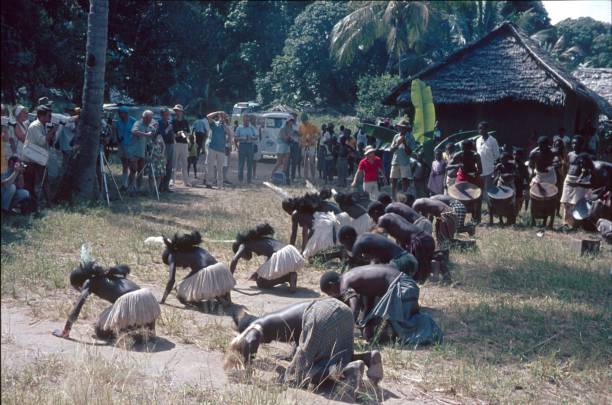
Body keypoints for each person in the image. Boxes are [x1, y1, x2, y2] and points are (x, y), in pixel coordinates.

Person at [227, 299, 376, 399]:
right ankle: (367, 358)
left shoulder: (257, 326)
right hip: (340, 309)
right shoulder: (273, 319)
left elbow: (250, 340)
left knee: (300, 376)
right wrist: (292, 354)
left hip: (319, 314)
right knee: (336, 353)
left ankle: (348, 371)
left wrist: (247, 371)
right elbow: (300, 334)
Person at [320, 266, 443, 345]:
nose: (334, 296)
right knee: (389, 328)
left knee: (405, 325)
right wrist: (365, 325)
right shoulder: (359, 282)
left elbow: (355, 306)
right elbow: (368, 307)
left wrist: (346, 331)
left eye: (330, 293)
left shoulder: (345, 282)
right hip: (403, 285)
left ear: (332, 285)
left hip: (402, 287)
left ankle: (432, 329)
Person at [53, 258, 161, 341]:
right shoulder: (107, 273)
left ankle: (132, 336)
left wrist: (65, 331)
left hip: (130, 299)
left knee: (100, 332)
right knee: (120, 315)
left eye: (76, 287)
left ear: (80, 282)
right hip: (147, 295)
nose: (78, 290)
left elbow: (77, 307)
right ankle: (149, 332)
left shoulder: (90, 282)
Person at [160, 231, 235, 307]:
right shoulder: (194, 249)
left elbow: (171, 280)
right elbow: (195, 272)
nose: (178, 266)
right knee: (186, 283)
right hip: (221, 268)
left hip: (207, 272)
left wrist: (163, 300)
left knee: (179, 290)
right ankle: (227, 299)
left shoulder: (171, 255)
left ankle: (221, 300)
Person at [230, 223, 303, 291]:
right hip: (290, 252)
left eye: (242, 256)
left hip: (281, 255)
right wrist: (258, 272)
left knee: (261, 282)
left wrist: (229, 280)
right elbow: (271, 258)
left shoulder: (243, 244)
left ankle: (288, 277)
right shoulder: (261, 239)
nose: (243, 258)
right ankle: (289, 276)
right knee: (263, 276)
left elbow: (234, 259)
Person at [372, 212, 435, 282]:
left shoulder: (382, 220)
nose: (372, 219)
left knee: (416, 275)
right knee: (425, 266)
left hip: (418, 241)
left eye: (371, 216)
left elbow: (378, 240)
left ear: (375, 212)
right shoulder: (393, 216)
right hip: (427, 238)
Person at [338, 225, 418, 279]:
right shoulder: (366, 236)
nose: (346, 247)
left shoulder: (357, 245)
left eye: (344, 244)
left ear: (347, 239)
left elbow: (356, 270)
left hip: (401, 262)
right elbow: (376, 259)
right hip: (410, 259)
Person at [22, 105, 59, 207]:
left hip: (39, 159)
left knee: (44, 181)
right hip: (31, 160)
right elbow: (42, 141)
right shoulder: (34, 126)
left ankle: (47, 203)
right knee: (31, 183)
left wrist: (52, 133)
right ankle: (30, 205)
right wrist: (52, 131)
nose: (50, 118)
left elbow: (49, 142)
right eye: (49, 115)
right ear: (42, 116)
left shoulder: (42, 125)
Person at [560, 136, 594, 229]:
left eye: (576, 143)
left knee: (575, 203)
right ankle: (566, 222)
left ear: (581, 144)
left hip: (578, 180)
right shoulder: (570, 154)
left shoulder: (585, 156)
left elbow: (587, 170)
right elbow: (567, 166)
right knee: (566, 201)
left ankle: (575, 224)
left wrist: (580, 179)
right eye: (573, 143)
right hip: (568, 179)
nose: (574, 145)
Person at [447, 140, 483, 222]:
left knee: (476, 198)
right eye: (463, 149)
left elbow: (481, 170)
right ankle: (459, 218)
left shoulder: (476, 155)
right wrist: (457, 165)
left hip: (473, 177)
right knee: (459, 199)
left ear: (470, 148)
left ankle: (476, 218)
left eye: (466, 149)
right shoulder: (459, 155)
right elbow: (448, 167)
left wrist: (475, 174)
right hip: (462, 177)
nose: (464, 151)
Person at [129, 110, 155, 193]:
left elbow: (152, 132)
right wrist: (146, 134)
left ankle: (138, 188)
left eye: (151, 118)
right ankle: (130, 188)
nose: (150, 120)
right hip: (134, 151)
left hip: (142, 152)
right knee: (133, 170)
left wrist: (152, 132)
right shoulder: (138, 123)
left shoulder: (148, 125)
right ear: (144, 118)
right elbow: (134, 132)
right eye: (148, 118)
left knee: (140, 171)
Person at [475, 121, 500, 204]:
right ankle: (482, 207)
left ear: (486, 129)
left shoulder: (493, 141)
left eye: (481, 128)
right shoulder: (478, 140)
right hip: (480, 170)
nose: (479, 130)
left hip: (489, 170)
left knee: (489, 190)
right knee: (480, 191)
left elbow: (497, 155)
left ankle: (491, 207)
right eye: (479, 128)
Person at [389, 120, 413, 199]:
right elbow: (391, 150)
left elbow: (409, 152)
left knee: (404, 181)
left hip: (404, 162)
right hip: (395, 161)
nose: (401, 129)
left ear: (406, 129)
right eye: (400, 127)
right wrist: (397, 144)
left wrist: (405, 143)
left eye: (403, 128)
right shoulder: (396, 136)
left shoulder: (410, 137)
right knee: (393, 180)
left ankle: (404, 198)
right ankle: (393, 198)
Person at [205, 112, 228, 188]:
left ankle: (220, 185)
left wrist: (224, 124)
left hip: (221, 149)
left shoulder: (225, 126)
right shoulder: (214, 123)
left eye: (224, 116)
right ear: (218, 116)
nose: (222, 117)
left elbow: (230, 133)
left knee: (220, 168)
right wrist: (218, 112)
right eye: (221, 116)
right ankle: (209, 183)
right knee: (210, 166)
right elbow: (208, 116)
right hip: (212, 148)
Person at [171, 104, 191, 187]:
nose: (177, 112)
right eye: (176, 110)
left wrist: (185, 135)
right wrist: (178, 134)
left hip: (184, 144)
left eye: (178, 110)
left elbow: (188, 132)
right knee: (174, 163)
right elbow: (172, 134)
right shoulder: (173, 121)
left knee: (184, 163)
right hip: (176, 143)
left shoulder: (185, 121)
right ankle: (172, 181)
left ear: (182, 112)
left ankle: (186, 181)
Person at [235, 114, 257, 184]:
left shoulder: (252, 128)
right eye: (245, 120)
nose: (247, 122)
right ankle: (240, 178)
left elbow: (256, 136)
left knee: (250, 163)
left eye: (248, 120)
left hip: (250, 145)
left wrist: (251, 137)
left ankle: (249, 180)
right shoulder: (239, 128)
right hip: (242, 145)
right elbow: (235, 138)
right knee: (241, 163)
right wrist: (242, 138)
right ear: (243, 120)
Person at [157, 108, 175, 193]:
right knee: (163, 165)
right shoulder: (159, 123)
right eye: (166, 114)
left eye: (168, 114)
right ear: (161, 115)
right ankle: (160, 186)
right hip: (163, 145)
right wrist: (168, 128)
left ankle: (166, 186)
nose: (167, 116)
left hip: (171, 145)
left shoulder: (169, 122)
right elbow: (161, 134)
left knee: (169, 166)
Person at [144, 125, 166, 193]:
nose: (153, 132)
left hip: (160, 158)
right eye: (151, 131)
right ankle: (151, 190)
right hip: (152, 158)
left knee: (159, 175)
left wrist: (162, 154)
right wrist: (152, 155)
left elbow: (163, 146)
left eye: (154, 130)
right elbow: (146, 149)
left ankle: (156, 189)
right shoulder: (147, 138)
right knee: (151, 175)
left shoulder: (159, 136)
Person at [271, 118, 293, 182]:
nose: (291, 122)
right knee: (279, 162)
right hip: (281, 145)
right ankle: (272, 175)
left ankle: (283, 177)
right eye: (290, 121)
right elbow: (285, 138)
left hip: (287, 146)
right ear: (287, 122)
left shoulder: (291, 128)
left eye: (292, 121)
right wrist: (290, 136)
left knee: (286, 163)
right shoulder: (283, 128)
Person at [299, 113, 319, 181]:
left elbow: (319, 134)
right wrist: (300, 142)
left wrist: (314, 138)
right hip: (304, 146)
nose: (303, 122)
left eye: (304, 120)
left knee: (311, 162)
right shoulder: (301, 127)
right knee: (305, 162)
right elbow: (300, 135)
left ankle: (313, 177)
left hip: (311, 146)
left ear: (307, 120)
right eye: (302, 121)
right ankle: (305, 178)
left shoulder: (312, 126)